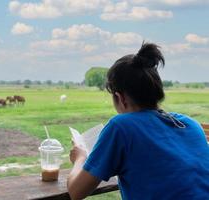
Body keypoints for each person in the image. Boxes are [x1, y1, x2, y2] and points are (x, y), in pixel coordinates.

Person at [67, 42, 209, 200]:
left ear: (120, 98)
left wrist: (80, 158)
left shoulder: (121, 127)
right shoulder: (191, 124)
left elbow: (76, 191)